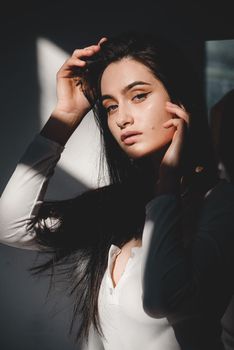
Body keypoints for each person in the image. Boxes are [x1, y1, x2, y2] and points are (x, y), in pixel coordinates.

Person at [0, 31, 234, 350]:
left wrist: (167, 182)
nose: (122, 118)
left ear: (180, 100)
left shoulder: (219, 203)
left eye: (138, 96)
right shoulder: (119, 204)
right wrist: (65, 116)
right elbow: (10, 226)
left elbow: (161, 298)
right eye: (110, 106)